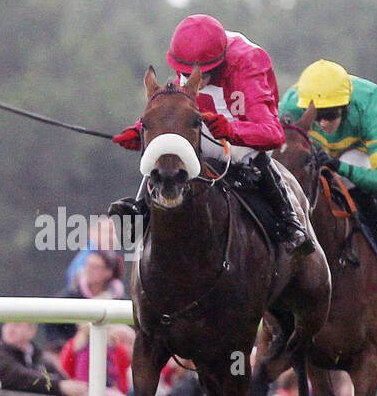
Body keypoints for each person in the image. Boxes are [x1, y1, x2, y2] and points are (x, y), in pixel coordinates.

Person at [108, 14, 312, 256]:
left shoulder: (249, 62)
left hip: (245, 122)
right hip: (203, 118)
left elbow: (273, 135)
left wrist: (231, 130)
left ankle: (287, 219)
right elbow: (172, 111)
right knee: (167, 143)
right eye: (189, 72)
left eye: (205, 73)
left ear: (220, 62)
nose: (197, 79)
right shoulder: (186, 65)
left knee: (245, 154)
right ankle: (141, 208)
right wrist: (142, 129)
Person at [281, 59, 377, 280]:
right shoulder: (290, 104)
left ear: (346, 106)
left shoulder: (370, 100)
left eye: (331, 114)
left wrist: (341, 167)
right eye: (318, 116)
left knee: (352, 173)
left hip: (355, 153)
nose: (325, 123)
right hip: (312, 153)